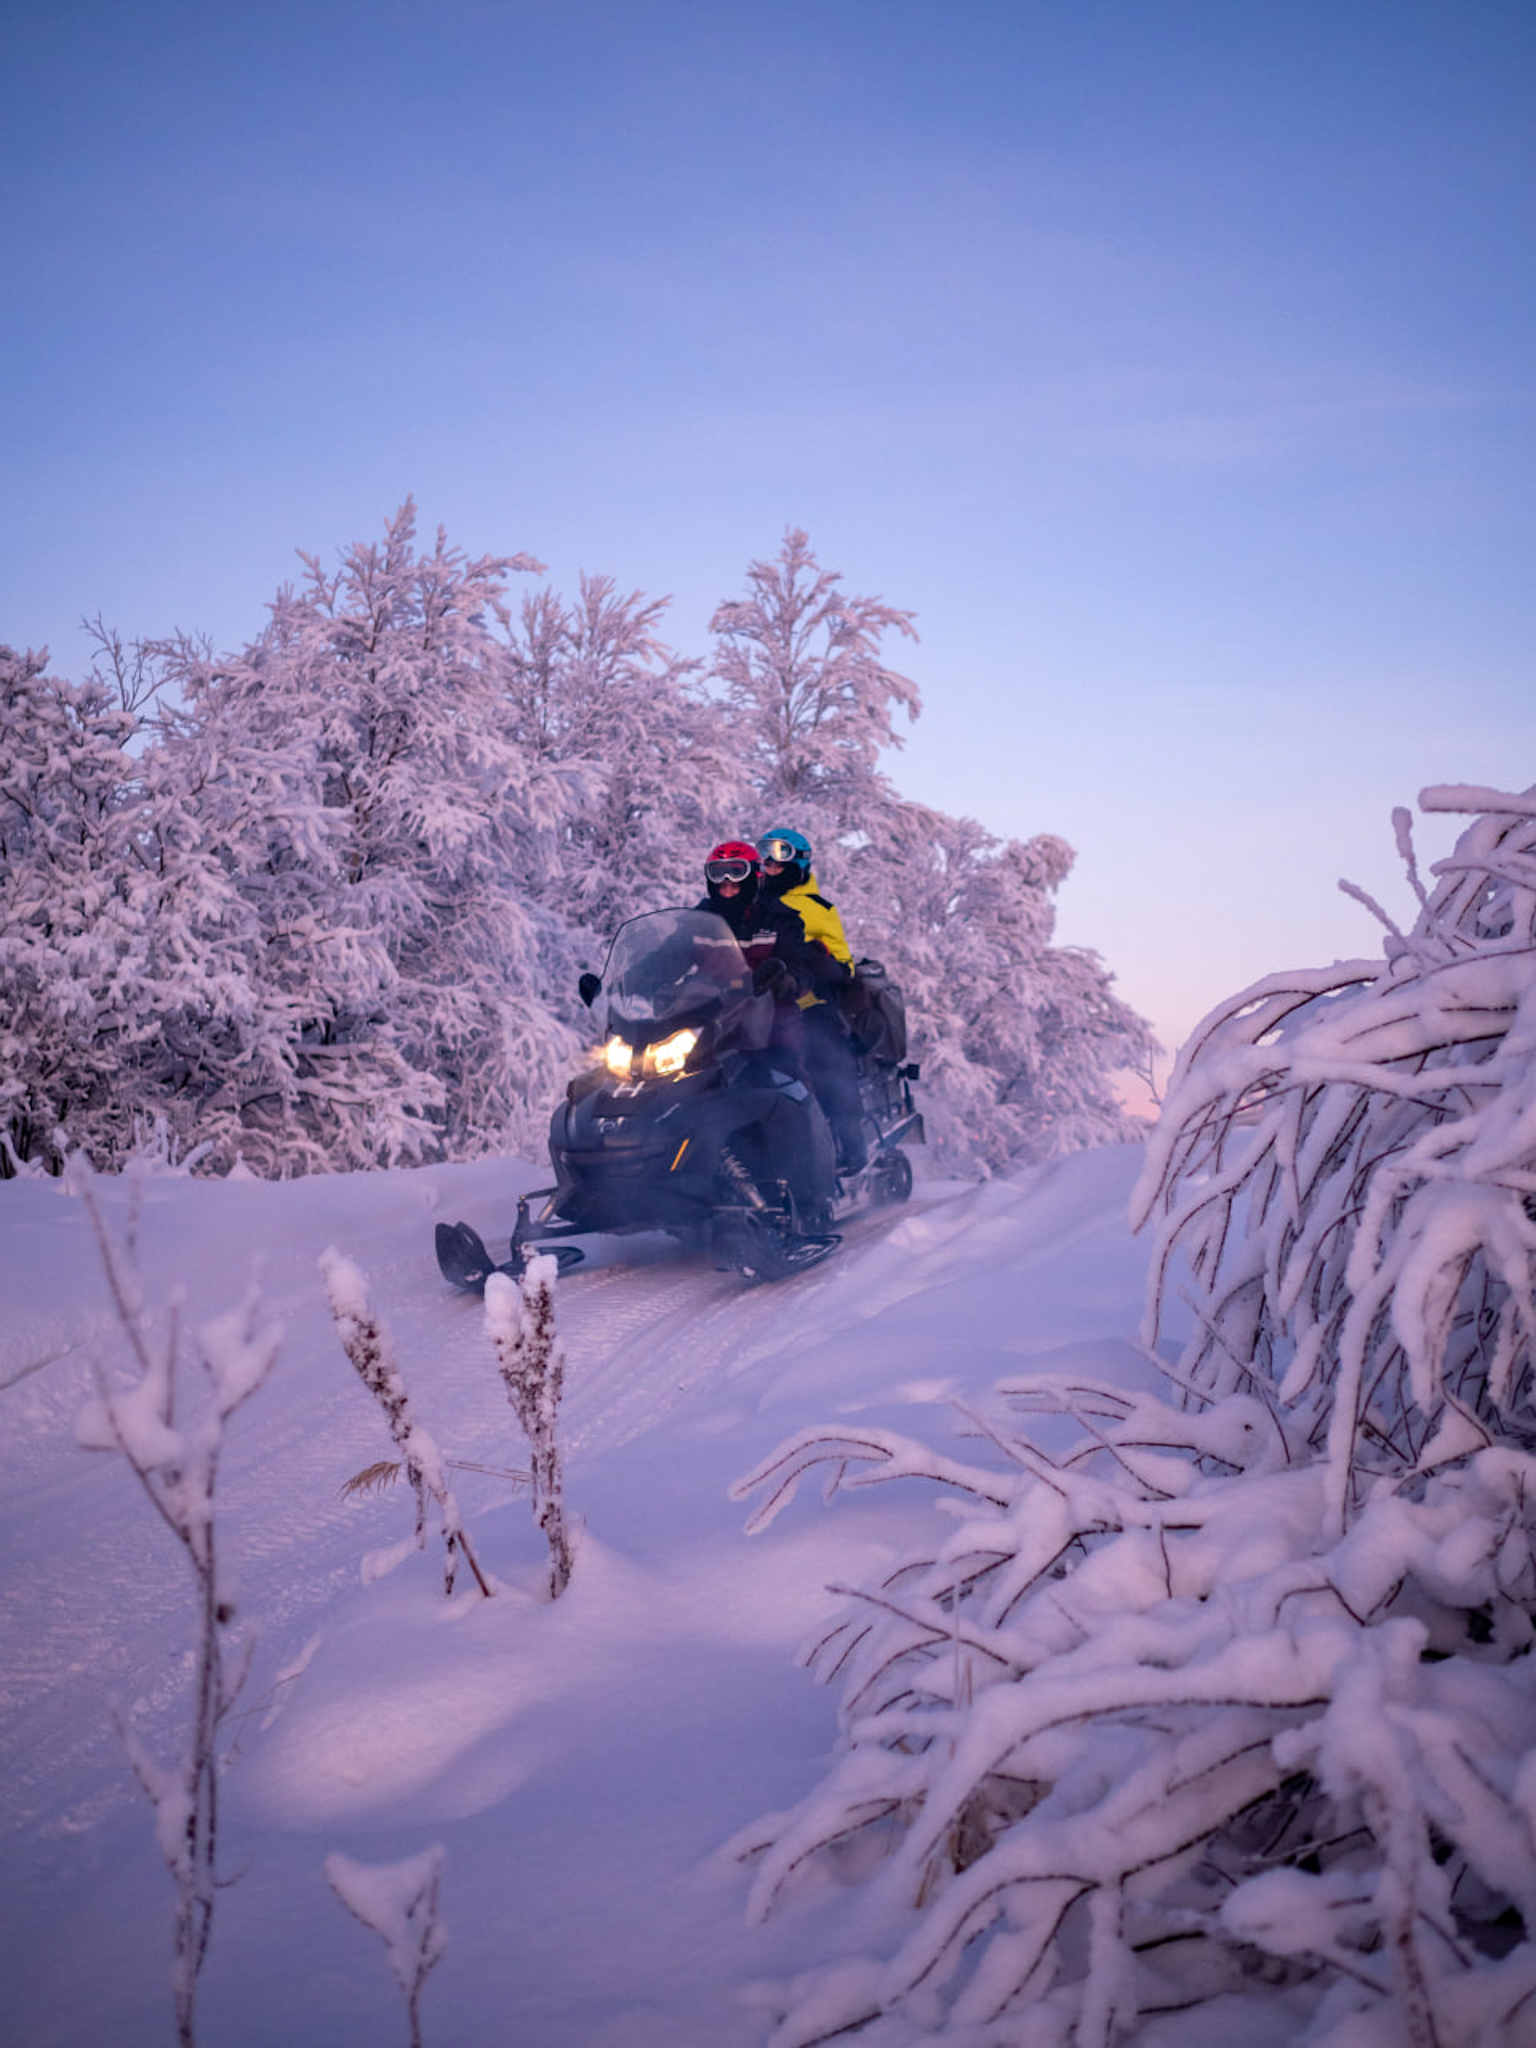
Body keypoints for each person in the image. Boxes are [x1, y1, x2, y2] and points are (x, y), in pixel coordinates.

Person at [696, 839, 837, 1222]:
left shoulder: (779, 918)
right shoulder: (701, 919)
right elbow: (669, 956)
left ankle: (811, 1192)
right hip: (716, 1023)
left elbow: (801, 962)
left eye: (736, 876)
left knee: (787, 1087)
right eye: (718, 877)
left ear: (753, 877)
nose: (727, 886)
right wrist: (632, 978)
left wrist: (789, 981)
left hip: (771, 1021)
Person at [755, 827, 869, 1173]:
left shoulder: (818, 909)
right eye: (767, 859)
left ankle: (850, 1144)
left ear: (798, 864)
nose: (771, 866)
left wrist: (819, 958)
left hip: (808, 1004)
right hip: (755, 1006)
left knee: (824, 1058)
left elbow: (844, 965)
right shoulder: (752, 904)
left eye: (780, 860)